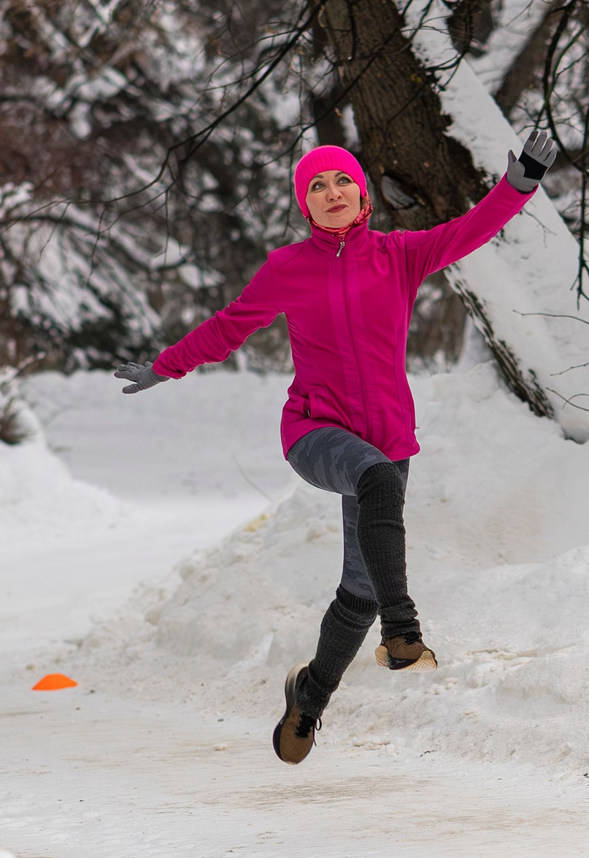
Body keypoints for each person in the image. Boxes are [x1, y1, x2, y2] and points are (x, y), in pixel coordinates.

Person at [115, 133, 559, 763]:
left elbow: (471, 229)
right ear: (305, 205)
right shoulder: (286, 269)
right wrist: (166, 366)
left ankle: (309, 696)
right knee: (376, 486)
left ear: (363, 195)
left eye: (341, 181)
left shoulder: (400, 255)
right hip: (315, 431)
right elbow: (227, 327)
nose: (331, 193)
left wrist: (520, 183)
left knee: (360, 587)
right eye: (316, 186)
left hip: (386, 439)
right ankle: (403, 633)